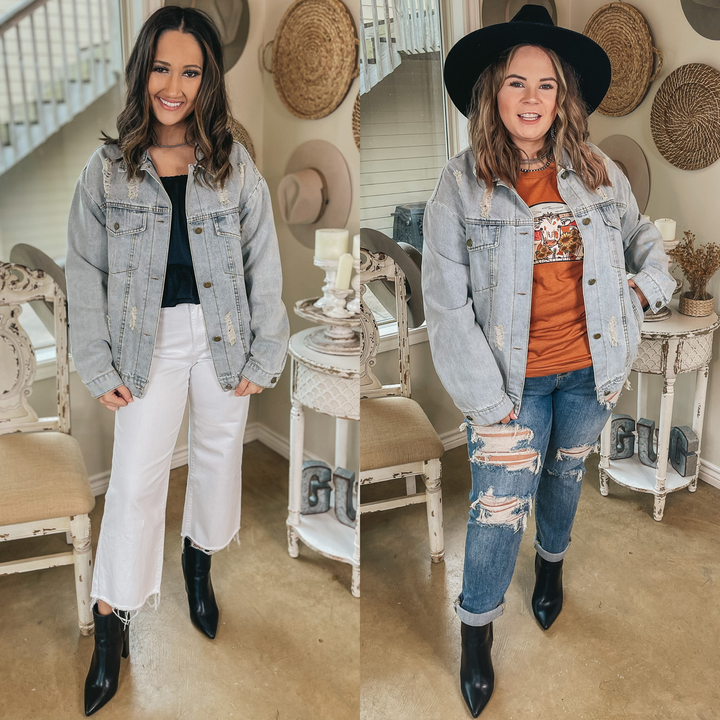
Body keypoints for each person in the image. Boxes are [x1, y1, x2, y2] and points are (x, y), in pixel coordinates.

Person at [422, 6, 675, 717]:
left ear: (563, 98)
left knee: (564, 479)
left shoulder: (597, 171)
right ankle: (476, 630)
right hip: (510, 385)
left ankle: (552, 567)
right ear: (492, 93)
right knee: (498, 507)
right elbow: (445, 307)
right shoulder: (460, 185)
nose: (531, 98)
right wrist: (488, 401)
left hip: (590, 373)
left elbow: (645, 244)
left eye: (546, 85)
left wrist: (641, 292)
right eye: (516, 83)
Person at [65, 6, 289, 716]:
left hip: (225, 333)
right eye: (162, 68)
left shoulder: (230, 163)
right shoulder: (106, 172)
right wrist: (97, 363)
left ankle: (199, 563)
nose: (174, 86)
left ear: (207, 80)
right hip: (145, 342)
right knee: (135, 481)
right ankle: (112, 619)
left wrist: (266, 349)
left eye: (190, 72)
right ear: (143, 71)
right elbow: (83, 272)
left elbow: (262, 260)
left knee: (219, 459)